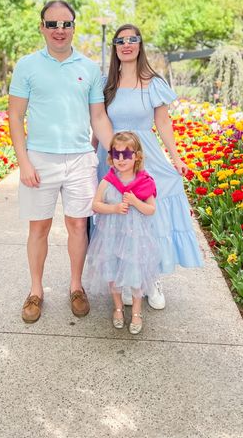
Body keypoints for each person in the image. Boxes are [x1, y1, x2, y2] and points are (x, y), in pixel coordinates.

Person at [8, 0, 113, 324]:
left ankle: (76, 287)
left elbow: (98, 117)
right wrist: (24, 162)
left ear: (74, 27)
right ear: (42, 27)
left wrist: (120, 153)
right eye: (52, 24)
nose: (59, 30)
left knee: (78, 225)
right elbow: (15, 115)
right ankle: (36, 291)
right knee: (38, 227)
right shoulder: (27, 66)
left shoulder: (89, 68)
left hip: (81, 160)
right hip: (39, 159)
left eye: (65, 24)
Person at [95, 24, 203, 310]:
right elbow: (98, 120)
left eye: (133, 40)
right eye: (121, 40)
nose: (127, 44)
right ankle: (128, 279)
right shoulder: (107, 84)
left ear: (141, 45)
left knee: (149, 215)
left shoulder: (153, 82)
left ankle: (151, 277)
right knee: (120, 217)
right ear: (115, 47)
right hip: (114, 154)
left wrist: (176, 158)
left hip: (145, 154)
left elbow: (163, 123)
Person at [86, 132, 159, 334]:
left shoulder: (144, 181)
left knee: (135, 273)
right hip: (110, 237)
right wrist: (114, 208)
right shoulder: (108, 181)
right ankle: (118, 307)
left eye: (126, 154)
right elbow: (96, 205)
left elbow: (151, 210)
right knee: (112, 271)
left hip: (134, 239)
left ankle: (136, 311)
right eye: (116, 154)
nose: (121, 159)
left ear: (136, 156)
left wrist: (136, 201)